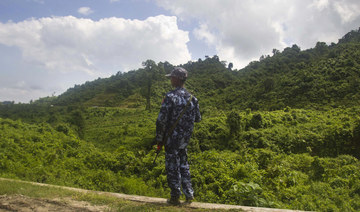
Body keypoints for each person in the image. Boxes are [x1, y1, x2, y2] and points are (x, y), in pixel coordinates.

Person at [155, 67, 201, 205]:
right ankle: (189, 194)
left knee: (172, 166)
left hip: (171, 140)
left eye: (171, 77)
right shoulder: (193, 99)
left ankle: (175, 197)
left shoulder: (170, 97)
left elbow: (161, 121)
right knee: (183, 164)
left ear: (177, 79)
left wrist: (159, 140)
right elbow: (198, 118)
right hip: (184, 140)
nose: (170, 79)